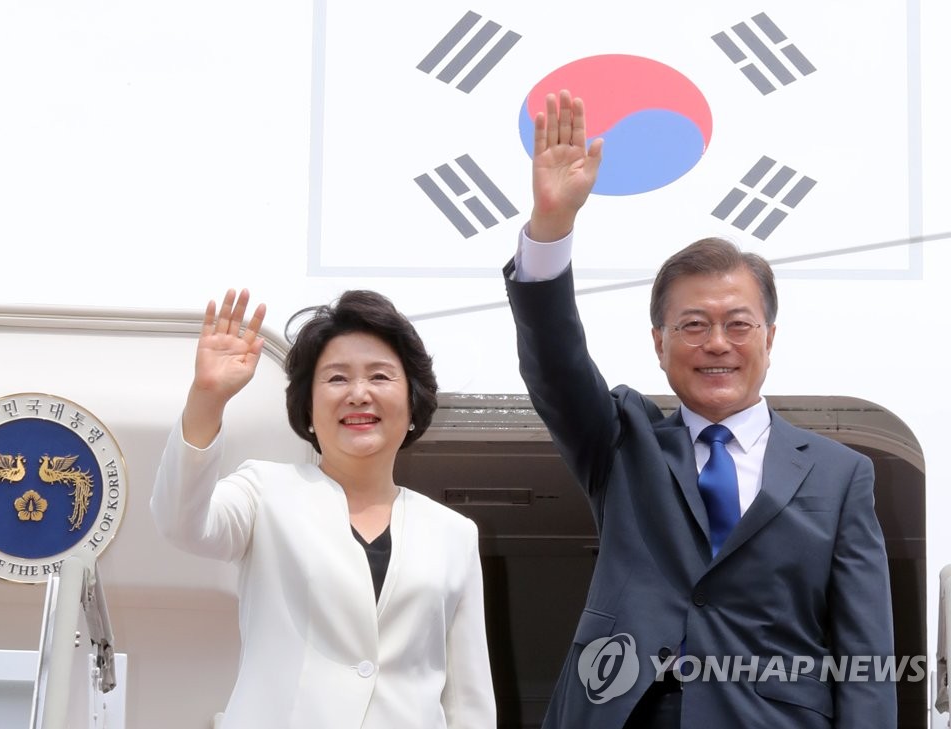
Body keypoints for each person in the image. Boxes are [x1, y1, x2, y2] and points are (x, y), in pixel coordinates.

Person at [503, 90, 896, 728]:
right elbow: (555, 363)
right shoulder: (622, 444)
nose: (717, 343)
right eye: (692, 325)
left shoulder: (840, 475)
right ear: (658, 343)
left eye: (738, 324)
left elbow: (866, 652)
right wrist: (551, 226)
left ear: (769, 338)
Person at [150, 288, 497, 729]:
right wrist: (207, 398)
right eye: (336, 379)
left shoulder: (454, 533)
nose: (359, 394)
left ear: (413, 403)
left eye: (380, 377)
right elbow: (180, 522)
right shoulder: (264, 492)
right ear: (309, 410)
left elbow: (469, 700)